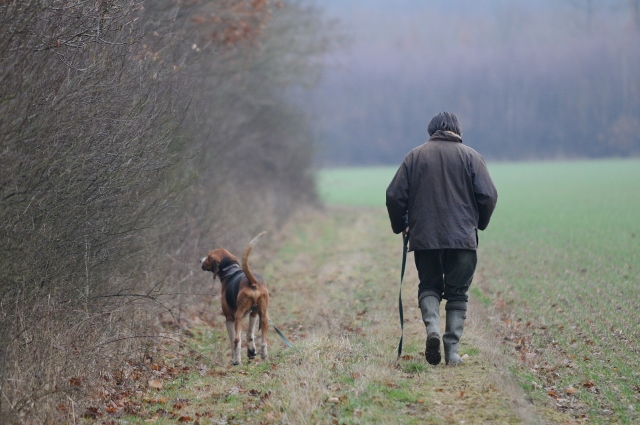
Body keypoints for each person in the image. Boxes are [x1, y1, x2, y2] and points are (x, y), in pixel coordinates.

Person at [386, 112, 498, 365]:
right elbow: (489, 196)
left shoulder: (415, 156)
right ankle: (452, 353)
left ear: (432, 131)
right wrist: (477, 224)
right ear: (457, 131)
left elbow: (394, 195)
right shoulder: (472, 157)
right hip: (462, 239)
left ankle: (432, 330)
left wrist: (401, 225)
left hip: (426, 237)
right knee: (458, 293)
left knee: (429, 286)